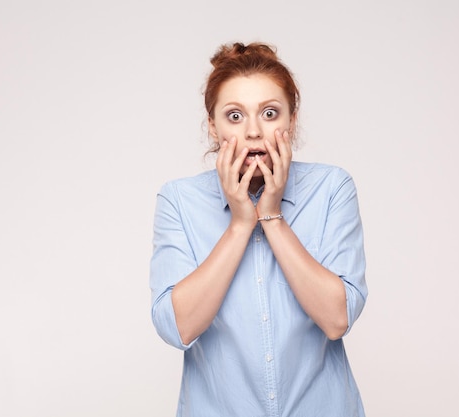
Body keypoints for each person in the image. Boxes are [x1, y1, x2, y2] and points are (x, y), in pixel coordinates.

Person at [150, 41, 368, 417]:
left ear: (291, 121)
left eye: (269, 113)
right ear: (213, 127)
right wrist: (239, 225)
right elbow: (177, 328)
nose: (253, 131)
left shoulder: (332, 188)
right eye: (234, 116)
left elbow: (337, 319)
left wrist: (271, 216)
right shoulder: (179, 200)